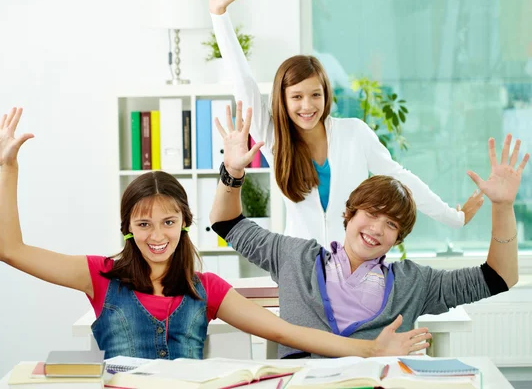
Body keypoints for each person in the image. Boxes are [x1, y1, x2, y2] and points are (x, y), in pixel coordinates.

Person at [0, 107, 431, 360]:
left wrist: (371, 349)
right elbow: (9, 250)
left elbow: (291, 333)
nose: (156, 235)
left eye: (168, 221)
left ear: (184, 222)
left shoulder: (207, 289)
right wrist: (9, 168)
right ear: (127, 230)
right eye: (143, 224)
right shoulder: (99, 276)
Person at [210, 103, 529, 359]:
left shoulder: (413, 283)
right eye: (372, 214)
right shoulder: (295, 258)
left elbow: (500, 277)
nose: (377, 228)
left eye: (391, 224)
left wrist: (501, 207)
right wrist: (234, 170)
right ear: (349, 214)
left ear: (398, 238)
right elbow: (227, 224)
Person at [208, 0, 484, 247]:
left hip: (352, 268)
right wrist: (218, 14)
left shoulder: (354, 133)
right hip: (299, 270)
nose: (307, 106)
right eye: (297, 97)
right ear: (283, 99)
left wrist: (453, 218)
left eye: (316, 95)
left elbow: (400, 178)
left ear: (326, 95)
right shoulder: (274, 138)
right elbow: (243, 82)